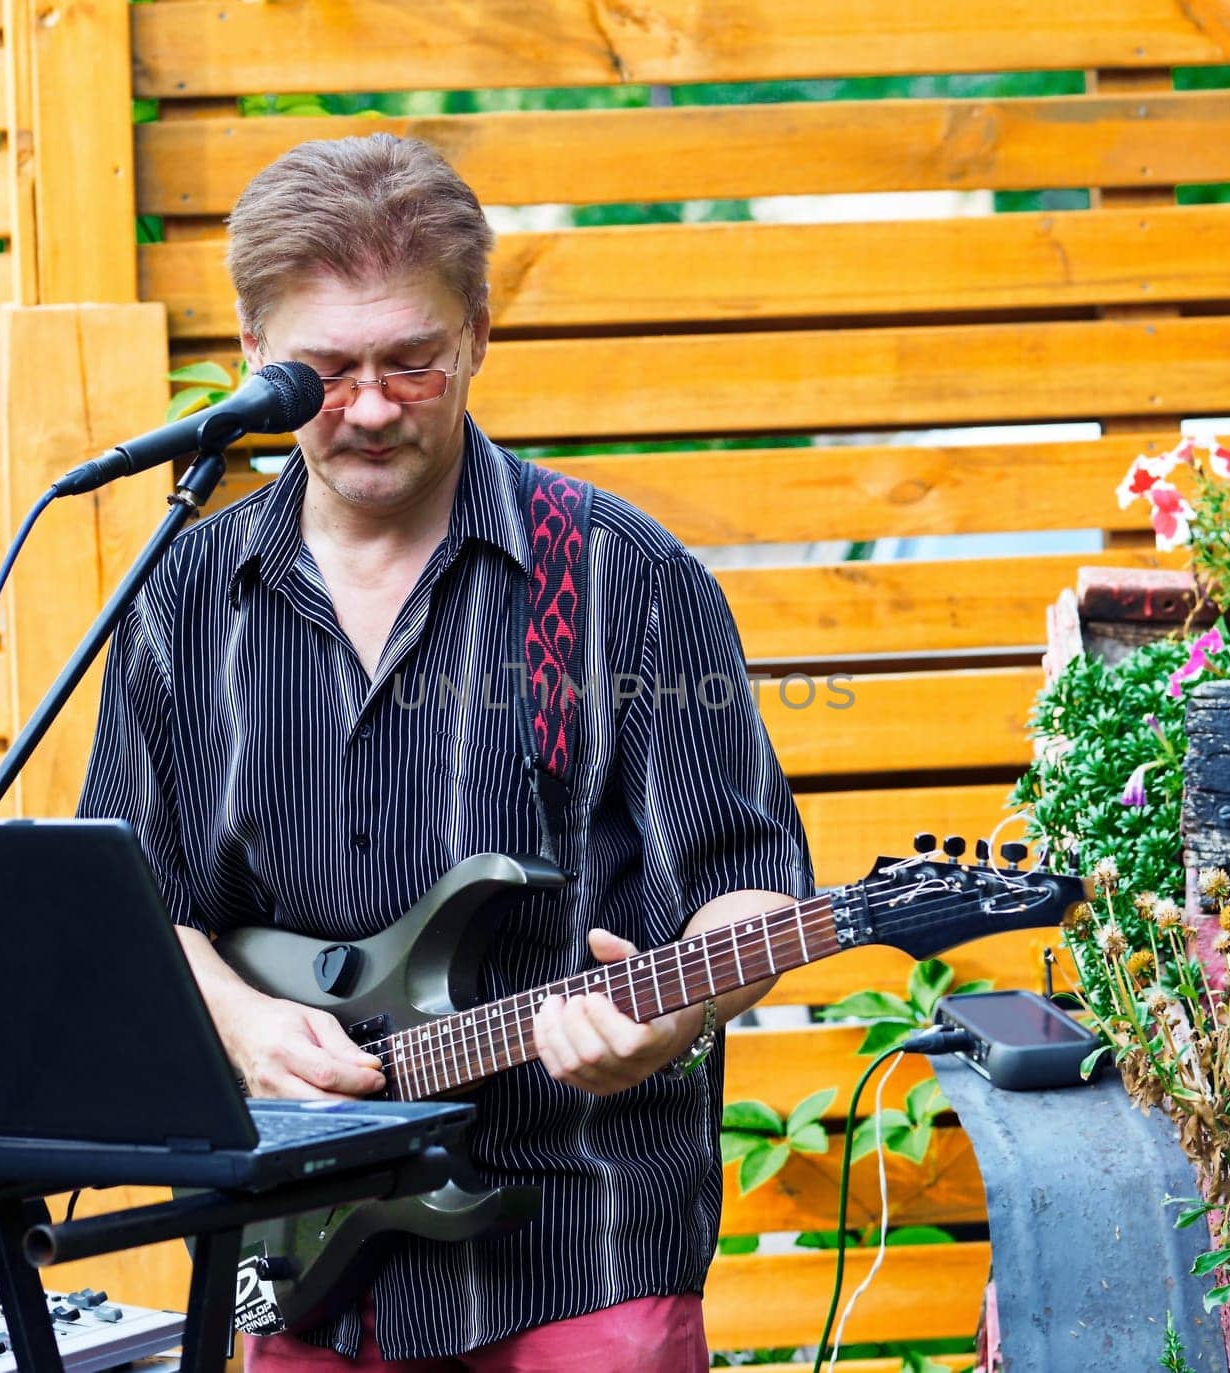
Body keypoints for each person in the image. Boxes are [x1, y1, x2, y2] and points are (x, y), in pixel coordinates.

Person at [79, 133, 813, 1371]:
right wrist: (247, 1025)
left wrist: (673, 1010)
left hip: (579, 1243)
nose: (368, 407)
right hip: (305, 1252)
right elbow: (134, 899)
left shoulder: (626, 579)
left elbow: (748, 883)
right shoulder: (181, 597)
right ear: (254, 356)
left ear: (476, 334)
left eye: (411, 363)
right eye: (326, 370)